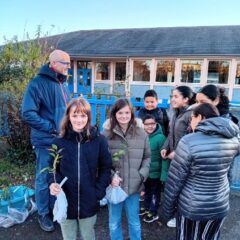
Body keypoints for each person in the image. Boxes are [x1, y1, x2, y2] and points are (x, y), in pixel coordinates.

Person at [162, 103, 239, 240]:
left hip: (192, 207)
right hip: (219, 205)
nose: (190, 121)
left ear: (202, 117)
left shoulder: (188, 141)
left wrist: (167, 210)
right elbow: (228, 174)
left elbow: (175, 181)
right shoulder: (233, 140)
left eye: (192, 118)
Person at [21, 49, 71, 232]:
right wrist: (51, 127)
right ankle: (43, 214)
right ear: (54, 64)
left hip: (61, 140)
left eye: (69, 63)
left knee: (56, 177)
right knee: (43, 178)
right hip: (44, 141)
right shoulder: (37, 84)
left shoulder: (62, 85)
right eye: (66, 63)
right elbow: (27, 113)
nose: (69, 66)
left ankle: (53, 209)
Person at [49, 98, 112, 240]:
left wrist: (97, 192)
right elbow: (51, 168)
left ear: (88, 117)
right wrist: (53, 183)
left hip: (89, 201)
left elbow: (106, 167)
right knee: (69, 237)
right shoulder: (58, 142)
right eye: (74, 115)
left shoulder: (99, 140)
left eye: (83, 115)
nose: (79, 120)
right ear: (68, 117)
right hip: (65, 201)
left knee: (88, 236)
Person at [103, 98, 150, 240]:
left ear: (132, 113)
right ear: (114, 114)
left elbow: (147, 157)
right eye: (120, 113)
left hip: (134, 186)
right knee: (114, 223)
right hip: (115, 186)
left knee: (134, 222)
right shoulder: (106, 134)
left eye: (127, 112)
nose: (124, 116)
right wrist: (111, 177)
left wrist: (141, 175)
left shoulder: (141, 133)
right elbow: (102, 161)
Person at [161, 85, 195, 228]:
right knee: (174, 187)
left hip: (185, 159)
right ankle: (176, 214)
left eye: (176, 96)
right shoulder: (176, 113)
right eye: (171, 96)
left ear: (186, 99)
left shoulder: (192, 114)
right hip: (174, 158)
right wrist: (165, 147)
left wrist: (178, 152)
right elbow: (171, 134)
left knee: (183, 188)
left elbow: (191, 138)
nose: (172, 99)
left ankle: (180, 217)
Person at [139, 114, 167, 224]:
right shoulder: (142, 137)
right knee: (147, 191)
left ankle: (153, 211)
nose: (150, 126)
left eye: (152, 124)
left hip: (156, 173)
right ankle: (146, 207)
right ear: (143, 125)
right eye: (147, 124)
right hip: (146, 173)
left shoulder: (161, 138)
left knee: (155, 193)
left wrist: (163, 175)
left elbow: (165, 159)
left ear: (156, 124)